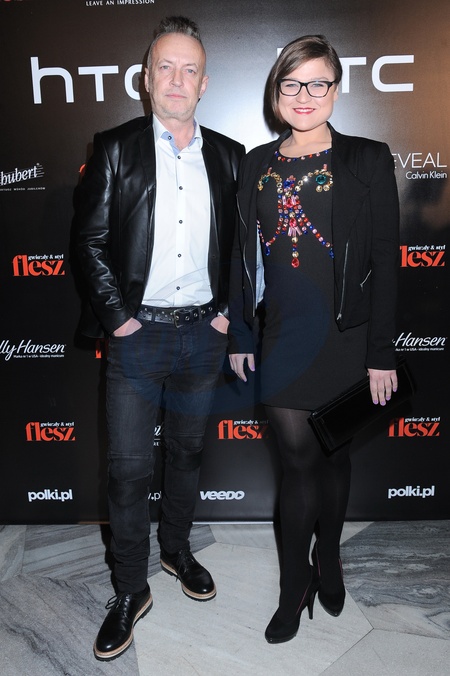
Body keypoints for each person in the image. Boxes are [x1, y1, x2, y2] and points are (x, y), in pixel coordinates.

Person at [76, 16, 244, 661]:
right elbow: (89, 243)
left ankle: (176, 549)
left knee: (188, 454)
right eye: (165, 68)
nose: (177, 80)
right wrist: (120, 318)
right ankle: (129, 588)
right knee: (126, 470)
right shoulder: (114, 148)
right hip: (136, 337)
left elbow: (243, 249)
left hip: (204, 334)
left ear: (204, 83)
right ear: (146, 80)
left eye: (189, 69)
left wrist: (227, 313)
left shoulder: (230, 156)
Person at [228, 35, 399, 644]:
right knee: (298, 462)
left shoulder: (367, 159)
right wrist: (241, 333)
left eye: (318, 82)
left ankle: (329, 555)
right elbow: (241, 261)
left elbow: (386, 260)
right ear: (276, 93)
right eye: (292, 83)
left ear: (336, 89)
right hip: (282, 338)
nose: (305, 95)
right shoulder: (255, 163)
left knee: (335, 455)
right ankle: (293, 585)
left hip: (347, 338)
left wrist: (381, 353)